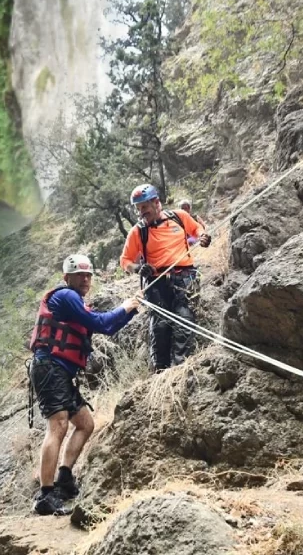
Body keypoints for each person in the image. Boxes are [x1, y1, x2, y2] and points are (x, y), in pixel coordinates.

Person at [28, 255, 139, 516]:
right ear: (68, 278)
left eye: (89, 275)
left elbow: (108, 329)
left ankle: (64, 478)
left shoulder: (76, 303)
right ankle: (46, 494)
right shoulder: (66, 296)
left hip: (60, 373)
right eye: (80, 275)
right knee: (58, 425)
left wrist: (132, 309)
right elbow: (100, 322)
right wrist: (124, 306)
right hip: (49, 368)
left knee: (85, 424)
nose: (86, 279)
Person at [118, 184, 211, 373]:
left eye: (144, 207)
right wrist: (138, 268)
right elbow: (125, 260)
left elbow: (197, 230)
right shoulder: (138, 231)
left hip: (185, 279)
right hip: (157, 283)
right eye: (138, 209)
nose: (141, 212)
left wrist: (203, 237)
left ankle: (179, 372)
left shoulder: (179, 217)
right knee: (160, 328)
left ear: (156, 202)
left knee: (184, 323)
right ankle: (160, 373)